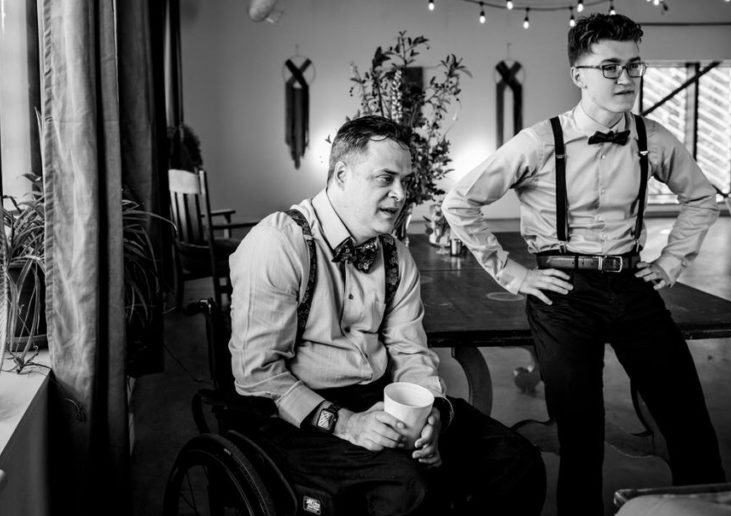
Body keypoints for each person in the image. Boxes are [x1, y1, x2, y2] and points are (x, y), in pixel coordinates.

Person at [442, 12, 726, 515]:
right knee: (580, 433)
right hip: (563, 294)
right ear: (580, 75)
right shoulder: (538, 141)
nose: (626, 79)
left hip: (633, 284)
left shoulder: (653, 137)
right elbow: (458, 202)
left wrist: (671, 262)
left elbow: (702, 198)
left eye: (634, 67)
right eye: (611, 67)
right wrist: (516, 274)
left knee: (688, 420)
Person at [228, 115, 546, 516]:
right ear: (342, 174)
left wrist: (426, 412)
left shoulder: (397, 255)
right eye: (385, 178)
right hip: (294, 416)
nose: (400, 195)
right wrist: (344, 422)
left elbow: (410, 352)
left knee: (515, 460)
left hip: (382, 399)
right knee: (406, 485)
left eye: (405, 181)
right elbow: (257, 374)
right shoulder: (278, 244)